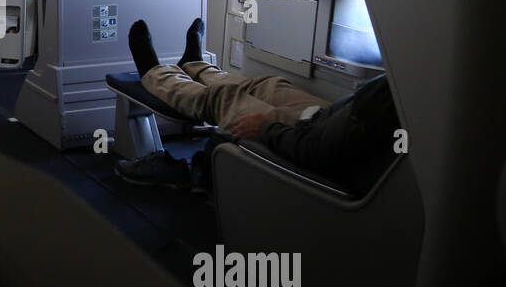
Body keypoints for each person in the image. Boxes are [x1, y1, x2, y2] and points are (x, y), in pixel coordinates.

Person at [116, 17, 399, 197]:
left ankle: (153, 73)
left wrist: (265, 128)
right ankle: (195, 64)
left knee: (222, 100)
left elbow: (316, 151)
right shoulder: (428, 95)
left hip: (317, 142)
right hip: (334, 119)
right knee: (267, 84)